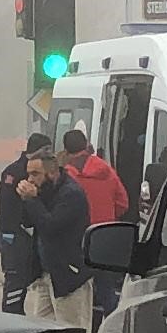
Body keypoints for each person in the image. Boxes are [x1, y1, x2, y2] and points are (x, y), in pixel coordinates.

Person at [14, 147, 96, 333]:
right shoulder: (44, 191)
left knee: (72, 332)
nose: (30, 179)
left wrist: (33, 200)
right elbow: (27, 221)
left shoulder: (71, 194)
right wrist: (25, 200)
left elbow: (50, 226)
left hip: (69, 275)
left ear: (52, 173)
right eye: (28, 174)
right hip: (47, 273)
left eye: (36, 174)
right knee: (41, 332)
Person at [58, 127, 132, 310]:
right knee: (107, 289)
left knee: (81, 291)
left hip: (77, 239)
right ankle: (111, 330)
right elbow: (123, 203)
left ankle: (86, 332)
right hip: (104, 236)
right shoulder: (106, 170)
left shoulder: (65, 177)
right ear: (86, 145)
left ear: (66, 151)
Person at [0, 133, 52, 315]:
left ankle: (15, 312)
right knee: (15, 277)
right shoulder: (16, 172)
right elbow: (5, 204)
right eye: (47, 150)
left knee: (27, 275)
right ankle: (11, 315)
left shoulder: (24, 170)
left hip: (26, 234)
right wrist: (10, 230)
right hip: (15, 234)